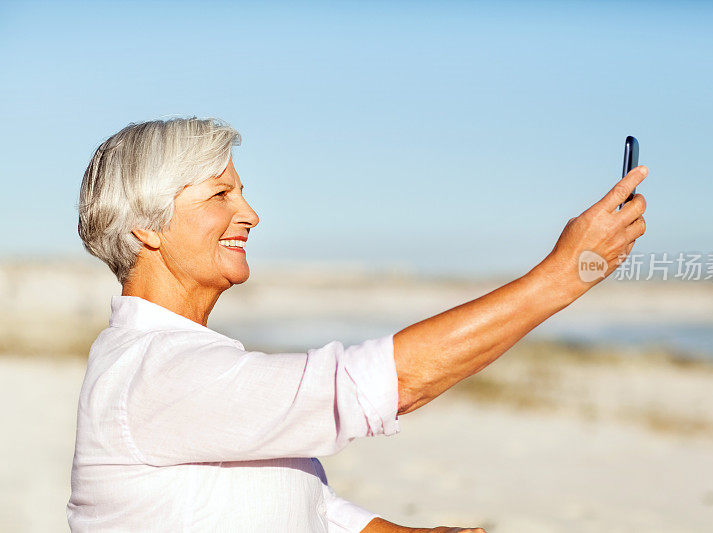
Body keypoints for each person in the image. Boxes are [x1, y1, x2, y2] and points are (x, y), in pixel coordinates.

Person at [67, 116, 647, 532]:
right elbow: (363, 387)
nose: (250, 213)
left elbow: (291, 496)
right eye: (221, 194)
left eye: (242, 192)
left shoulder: (171, 363)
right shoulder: (157, 372)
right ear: (147, 226)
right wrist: (561, 276)